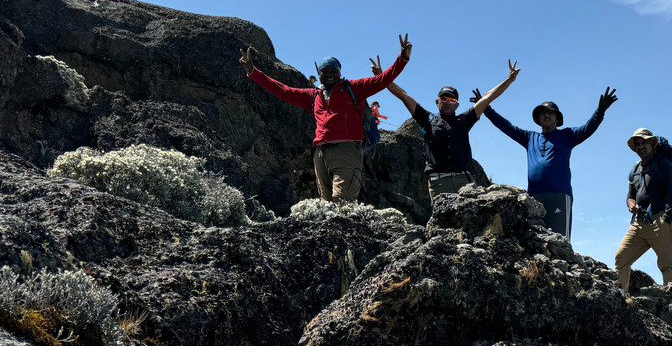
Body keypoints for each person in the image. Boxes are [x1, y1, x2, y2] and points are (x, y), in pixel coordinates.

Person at [239, 35, 411, 204]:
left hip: (347, 151)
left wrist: (402, 58)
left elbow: (383, 79)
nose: (330, 74)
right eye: (325, 71)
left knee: (342, 202)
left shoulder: (354, 88)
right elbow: (283, 91)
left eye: (334, 71)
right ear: (318, 74)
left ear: (340, 72)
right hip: (321, 154)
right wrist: (253, 72)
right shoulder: (312, 96)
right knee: (326, 205)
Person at [373, 57, 520, 202]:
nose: (447, 102)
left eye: (452, 100)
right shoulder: (427, 119)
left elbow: (488, 97)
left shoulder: (465, 119)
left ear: (457, 105)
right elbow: (403, 95)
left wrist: (509, 80)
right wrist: (382, 76)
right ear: (437, 102)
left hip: (465, 182)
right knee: (443, 224)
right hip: (439, 183)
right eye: (444, 99)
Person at [478, 88, 617, 238]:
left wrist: (600, 111)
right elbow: (506, 126)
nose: (546, 115)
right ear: (538, 119)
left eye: (550, 112)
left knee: (560, 241)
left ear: (557, 118)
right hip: (534, 197)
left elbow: (588, 128)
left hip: (559, 195)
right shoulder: (530, 137)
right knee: (534, 241)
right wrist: (486, 107)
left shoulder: (567, 135)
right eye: (543, 113)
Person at [615, 128, 672, 294]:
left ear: (652, 143)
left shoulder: (664, 165)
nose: (641, 147)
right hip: (639, 222)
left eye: (644, 142)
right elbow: (630, 195)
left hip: (660, 220)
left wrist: (666, 220)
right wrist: (630, 204)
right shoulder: (634, 169)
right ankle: (623, 300)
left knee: (666, 265)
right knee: (621, 258)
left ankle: (670, 304)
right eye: (637, 144)